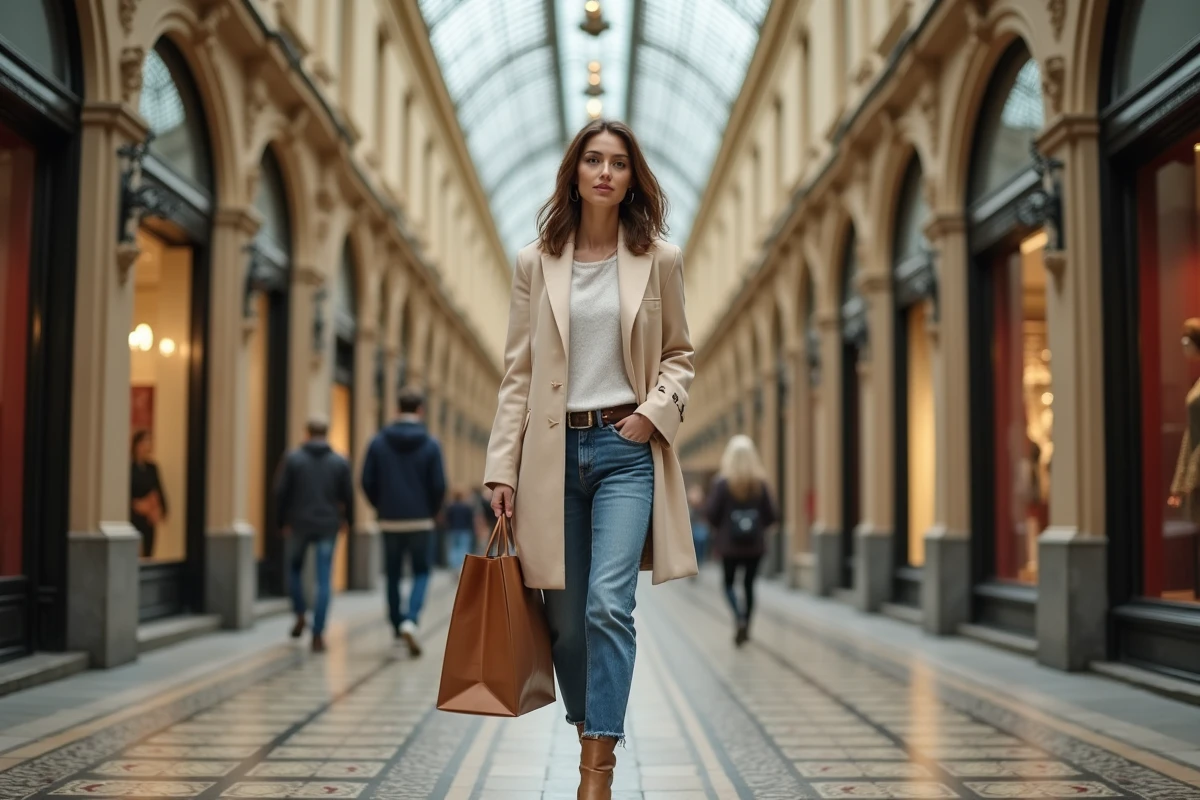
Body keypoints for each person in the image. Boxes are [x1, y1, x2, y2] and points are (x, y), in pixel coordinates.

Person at [484, 118, 695, 800]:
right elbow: (518, 373)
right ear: (574, 172)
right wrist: (501, 468)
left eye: (619, 163)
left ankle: (595, 772)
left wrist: (650, 415)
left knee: (609, 604)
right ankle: (591, 728)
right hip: (552, 458)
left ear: (634, 178)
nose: (605, 172)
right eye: (593, 160)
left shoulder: (659, 259)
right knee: (565, 623)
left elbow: (679, 357)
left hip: (624, 452)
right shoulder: (534, 263)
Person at [362, 386, 446, 657]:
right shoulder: (431, 444)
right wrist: (430, 510)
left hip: (390, 521)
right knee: (421, 572)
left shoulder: (378, 442)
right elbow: (439, 484)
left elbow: (366, 480)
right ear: (420, 410)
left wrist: (381, 506)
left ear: (397, 409)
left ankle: (397, 627)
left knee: (393, 575)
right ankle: (411, 618)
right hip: (421, 521)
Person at [275, 417, 354, 653]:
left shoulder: (293, 459)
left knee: (294, 570)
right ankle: (318, 634)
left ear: (306, 433)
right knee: (323, 580)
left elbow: (280, 493)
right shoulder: (339, 462)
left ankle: (300, 614)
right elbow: (348, 496)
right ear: (326, 433)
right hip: (327, 526)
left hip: (298, 525)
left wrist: (281, 522)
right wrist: (347, 521)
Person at [706, 435, 778, 648]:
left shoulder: (721, 483)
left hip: (729, 545)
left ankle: (738, 616)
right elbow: (772, 515)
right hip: (754, 545)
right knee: (748, 585)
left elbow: (712, 514)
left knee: (728, 583)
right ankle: (747, 622)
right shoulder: (760, 483)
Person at [130, 430, 167, 559]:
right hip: (133, 515)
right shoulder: (129, 467)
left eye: (150, 441)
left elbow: (159, 489)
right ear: (137, 445)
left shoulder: (152, 468)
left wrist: (160, 510)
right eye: (145, 441)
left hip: (148, 517)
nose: (148, 445)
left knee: (148, 552)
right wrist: (136, 505)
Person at [443, 486, 478, 573]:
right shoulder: (467, 507)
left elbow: (447, 519)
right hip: (465, 530)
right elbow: (470, 520)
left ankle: (454, 566)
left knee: (453, 549)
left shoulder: (450, 507)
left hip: (452, 530)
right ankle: (462, 566)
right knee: (463, 548)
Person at [687, 485, 710, 574]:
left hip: (699, 528)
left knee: (700, 542)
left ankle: (698, 561)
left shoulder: (703, 506)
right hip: (692, 528)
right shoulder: (689, 506)